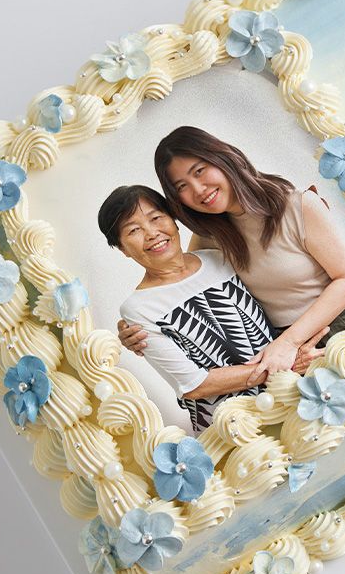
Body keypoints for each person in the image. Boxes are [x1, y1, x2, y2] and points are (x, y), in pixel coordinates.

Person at [117, 126, 345, 375]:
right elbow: (178, 282)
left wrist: (288, 342)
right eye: (182, 186)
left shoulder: (298, 205)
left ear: (223, 159)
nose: (198, 190)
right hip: (286, 353)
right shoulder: (211, 235)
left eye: (199, 171)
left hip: (343, 327)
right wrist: (140, 331)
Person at [97, 184, 322, 431]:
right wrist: (284, 364)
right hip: (232, 427)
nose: (151, 233)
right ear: (122, 249)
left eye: (156, 218)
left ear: (173, 219)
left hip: (290, 396)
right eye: (134, 230)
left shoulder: (218, 257)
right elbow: (195, 385)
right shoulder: (139, 309)